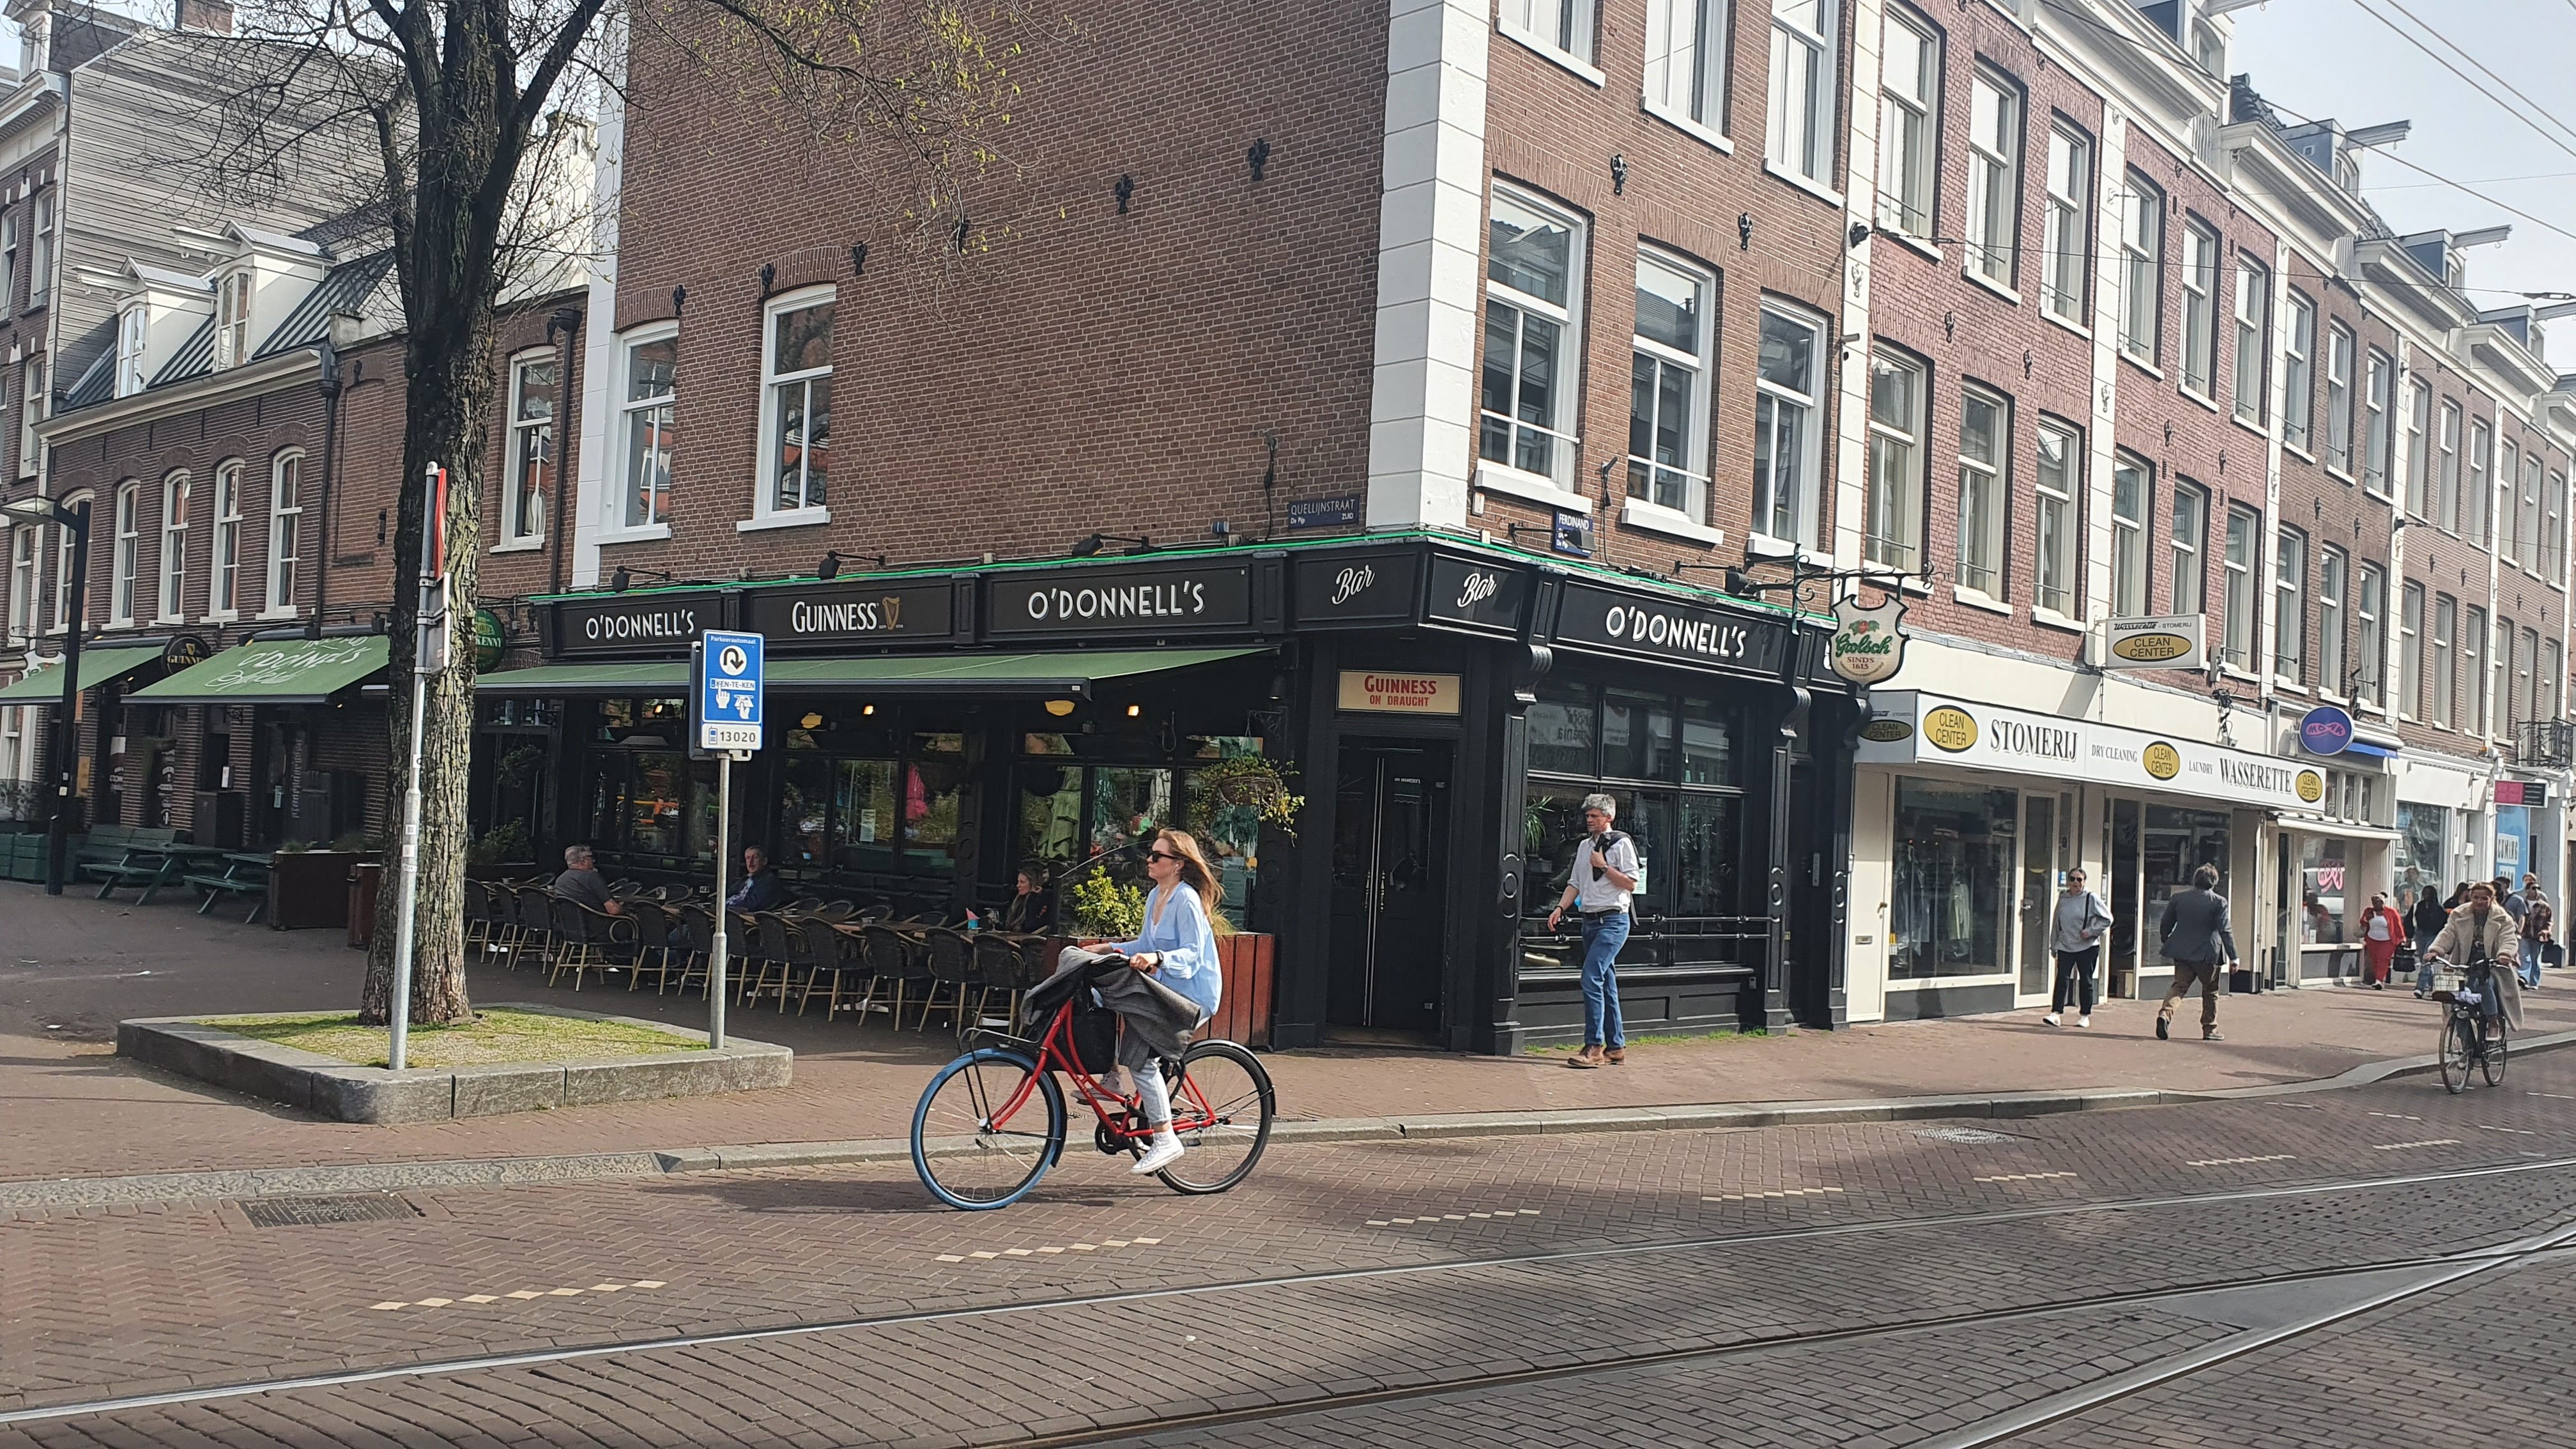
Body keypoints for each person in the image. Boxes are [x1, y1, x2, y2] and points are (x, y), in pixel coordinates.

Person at [1080, 829, 1225, 1175]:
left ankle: (1165, 1139)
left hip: (1192, 997)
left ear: (1177, 864)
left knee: (1142, 1062)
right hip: (1165, 990)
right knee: (1100, 995)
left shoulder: (1186, 899)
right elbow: (1144, 944)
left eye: (1157, 856)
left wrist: (1158, 958)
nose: (1149, 859)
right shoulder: (1156, 896)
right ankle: (1111, 1076)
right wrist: (1109, 948)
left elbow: (1191, 954)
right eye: (1151, 853)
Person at [1546, 793, 1640, 1070]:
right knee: (1605, 982)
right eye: (1587, 815)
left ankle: (1594, 1047)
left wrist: (1604, 867)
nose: (1589, 819)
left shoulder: (1621, 843)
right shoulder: (1585, 846)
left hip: (1613, 921)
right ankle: (1616, 1047)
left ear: (1609, 817)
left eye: (1595, 816)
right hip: (1589, 922)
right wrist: (1560, 908)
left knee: (1591, 977)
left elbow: (1631, 883)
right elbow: (1575, 883)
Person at [2156, 864, 2238, 1042]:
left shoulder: (2179, 898)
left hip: (2182, 952)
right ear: (2214, 882)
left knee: (2179, 986)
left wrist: (2167, 939)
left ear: (2195, 880)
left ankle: (2165, 1015)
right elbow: (2225, 930)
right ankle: (2210, 1029)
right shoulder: (2219, 902)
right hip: (2208, 954)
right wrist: (2234, 956)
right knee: (2210, 991)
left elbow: (2166, 923)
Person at [2428, 880, 2526, 1031]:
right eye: (2476, 898)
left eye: (2484, 898)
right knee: (2453, 993)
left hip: (2492, 964)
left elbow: (2508, 938)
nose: (2479, 902)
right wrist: (2436, 950)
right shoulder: (2459, 914)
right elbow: (2448, 933)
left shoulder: (2502, 918)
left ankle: (2493, 1021)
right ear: (2470, 897)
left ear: (2491, 899)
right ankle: (2461, 1032)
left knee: (2484, 984)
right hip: (2464, 963)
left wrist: (2505, 954)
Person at [2043, 867, 2112, 1028]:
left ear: (2084, 882)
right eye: (2073, 879)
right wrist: (2054, 944)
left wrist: (2091, 931)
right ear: (2068, 881)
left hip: (2087, 946)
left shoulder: (2091, 898)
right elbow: (2056, 922)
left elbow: (2107, 919)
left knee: (2086, 980)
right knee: (2062, 979)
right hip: (2065, 945)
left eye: (2079, 879)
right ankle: (2056, 1013)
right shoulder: (2063, 898)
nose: (2076, 882)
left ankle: (2084, 1015)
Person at [969, 862, 1054, 935]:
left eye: (1022, 882)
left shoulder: (1042, 902)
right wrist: (995, 924)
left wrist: (1033, 897)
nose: (1018, 886)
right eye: (1018, 882)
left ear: (1033, 884)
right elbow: (1009, 928)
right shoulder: (1018, 901)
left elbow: (1029, 927)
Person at [550, 844, 620, 916]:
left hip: (568, 922)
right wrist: (623, 909)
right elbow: (613, 910)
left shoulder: (560, 880)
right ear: (584, 861)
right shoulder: (592, 877)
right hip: (600, 921)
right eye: (591, 857)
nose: (594, 860)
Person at [2359, 891, 2403, 990]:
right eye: (2374, 902)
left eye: (2378, 902)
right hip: (2372, 939)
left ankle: (2379, 980)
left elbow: (2398, 925)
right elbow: (2362, 922)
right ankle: (2378, 979)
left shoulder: (2391, 912)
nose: (2376, 904)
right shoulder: (2369, 911)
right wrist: (2366, 919)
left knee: (2383, 959)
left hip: (2388, 940)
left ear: (2383, 902)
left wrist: (2402, 937)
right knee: (2375, 960)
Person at [727, 846, 783, 912]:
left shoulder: (769, 881)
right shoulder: (746, 879)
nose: (750, 862)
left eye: (755, 857)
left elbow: (753, 904)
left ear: (764, 861)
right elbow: (728, 893)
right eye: (748, 858)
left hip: (741, 914)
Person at [2518, 886, 2553, 990]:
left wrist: (2546, 931)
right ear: (2527, 890)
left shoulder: (2544, 906)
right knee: (2524, 957)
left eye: (2538, 888)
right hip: (2525, 934)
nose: (2536, 890)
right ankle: (2523, 978)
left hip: (2538, 936)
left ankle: (2534, 982)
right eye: (2533, 888)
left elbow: (2549, 921)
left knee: (2534, 959)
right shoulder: (2522, 903)